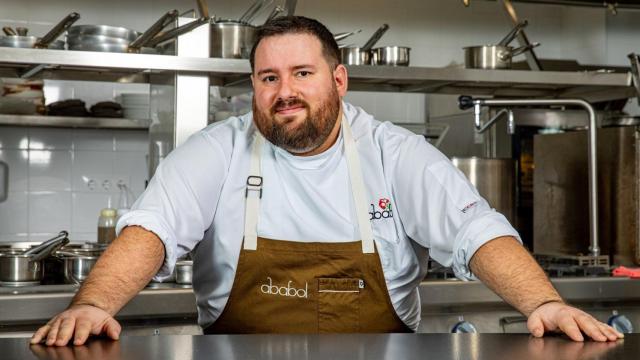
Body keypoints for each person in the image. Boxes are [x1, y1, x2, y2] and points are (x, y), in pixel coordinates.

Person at [32, 16, 622, 346]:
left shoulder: (394, 153)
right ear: (253, 88)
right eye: (268, 77)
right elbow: (152, 229)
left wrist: (542, 302)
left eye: (301, 73)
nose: (283, 91)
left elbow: (475, 232)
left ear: (339, 80)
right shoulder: (218, 149)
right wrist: (93, 304)